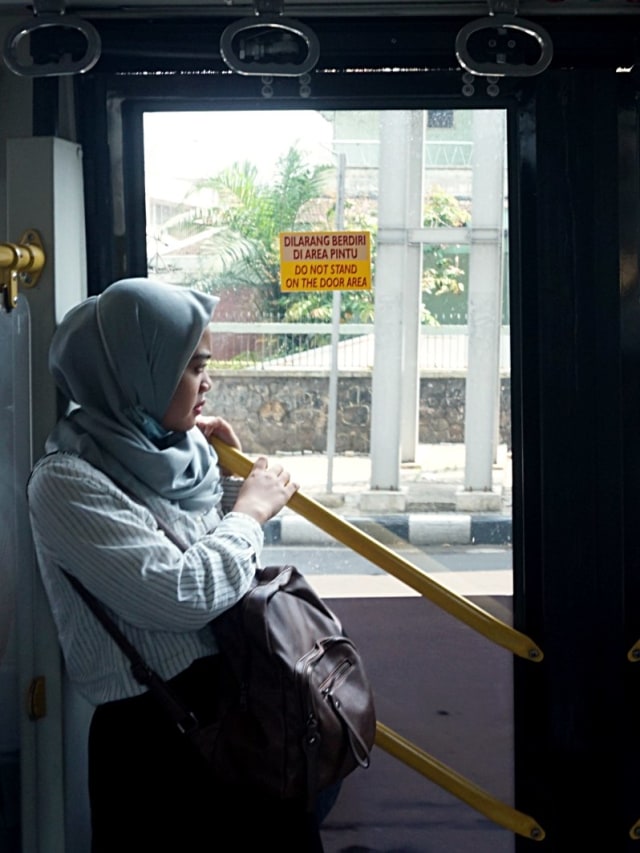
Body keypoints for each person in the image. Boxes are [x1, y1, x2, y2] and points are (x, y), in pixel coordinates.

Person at [27, 278, 325, 852]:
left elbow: (215, 569)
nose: (207, 382)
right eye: (190, 368)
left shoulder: (174, 455)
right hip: (157, 739)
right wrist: (250, 513)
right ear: (135, 373)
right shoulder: (66, 481)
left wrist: (224, 481)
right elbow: (184, 594)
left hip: (233, 708)